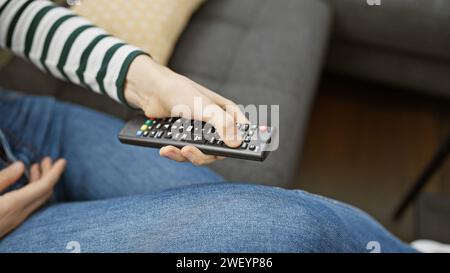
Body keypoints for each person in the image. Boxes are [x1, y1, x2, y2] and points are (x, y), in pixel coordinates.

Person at [0, 0, 416, 252]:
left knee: (225, 200)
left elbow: (12, 12)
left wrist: (153, 82)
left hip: (17, 124)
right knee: (285, 230)